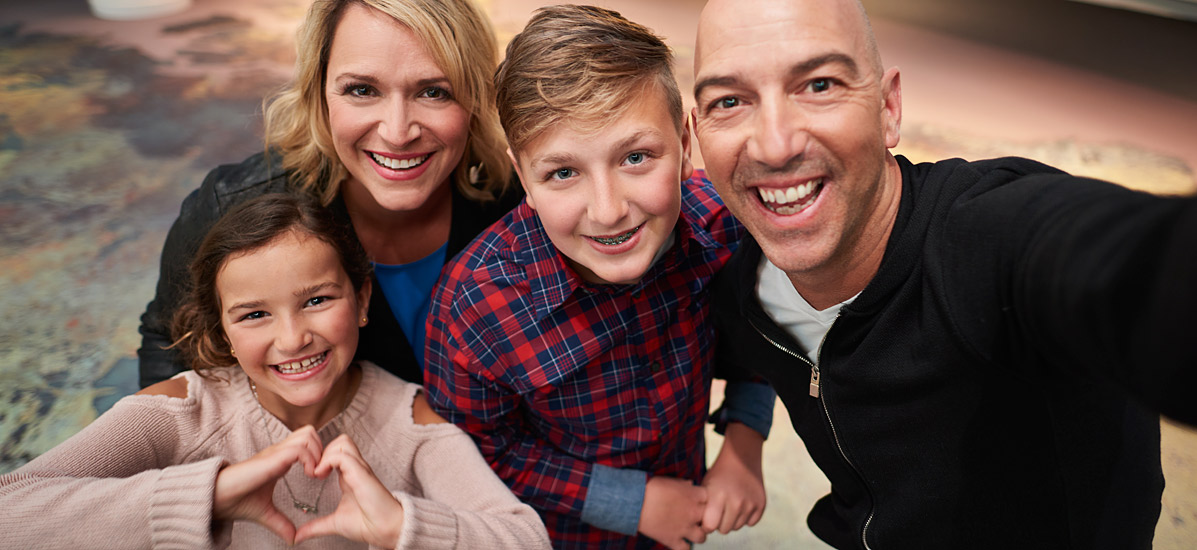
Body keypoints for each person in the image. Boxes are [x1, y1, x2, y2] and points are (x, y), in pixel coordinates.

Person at [690, 0, 1197, 548]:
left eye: (819, 85)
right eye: (730, 101)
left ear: (888, 108)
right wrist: (743, 435)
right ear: (697, 135)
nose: (774, 144)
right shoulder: (744, 285)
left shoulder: (985, 240)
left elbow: (1146, 274)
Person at [0, 194, 551, 549]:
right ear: (223, 331)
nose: (292, 338)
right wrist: (208, 495)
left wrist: (400, 526)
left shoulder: (412, 422)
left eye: (316, 300)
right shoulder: (181, 413)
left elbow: (525, 539)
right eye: (255, 314)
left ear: (361, 299)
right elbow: (11, 511)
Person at [422, 6, 776, 550]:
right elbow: (477, 448)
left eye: (636, 157)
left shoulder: (724, 228)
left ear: (686, 145)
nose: (608, 211)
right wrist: (632, 503)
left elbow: (764, 340)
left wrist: (744, 447)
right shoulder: (475, 307)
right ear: (523, 176)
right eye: (563, 172)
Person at [137, 0, 519, 388]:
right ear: (318, 92)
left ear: (476, 98)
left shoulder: (523, 204)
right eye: (362, 89)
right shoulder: (230, 207)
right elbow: (168, 346)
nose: (398, 133)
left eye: (434, 92)